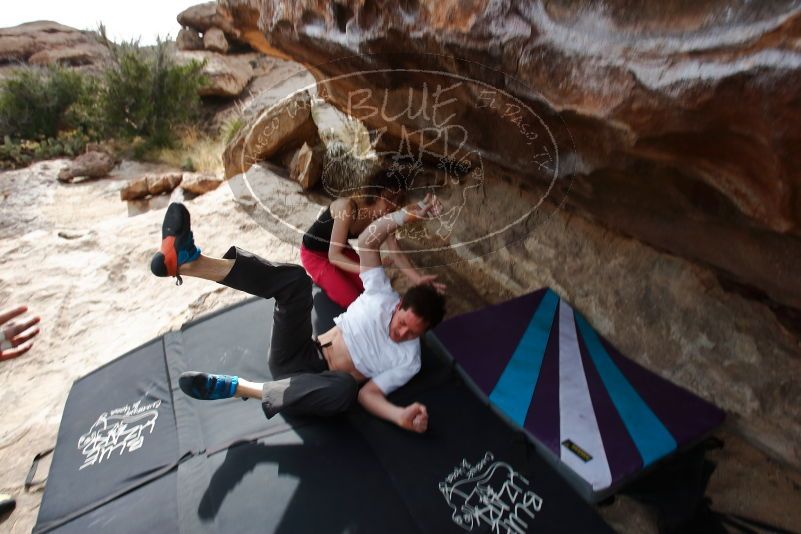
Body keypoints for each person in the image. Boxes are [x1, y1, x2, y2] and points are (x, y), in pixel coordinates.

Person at [150, 197, 446, 433]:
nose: (403, 334)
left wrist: (400, 416)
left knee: (346, 389)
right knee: (297, 281)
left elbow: (369, 396)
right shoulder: (382, 295)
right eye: (403, 323)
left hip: (318, 387)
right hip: (297, 353)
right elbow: (369, 240)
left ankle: (238, 387)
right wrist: (408, 214)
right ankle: (193, 263)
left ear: (425, 332)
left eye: (414, 333)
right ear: (398, 306)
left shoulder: (409, 360)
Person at [301, 170, 444, 309]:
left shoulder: (385, 216)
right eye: (388, 197)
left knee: (373, 289)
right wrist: (367, 269)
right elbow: (334, 256)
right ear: (376, 193)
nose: (393, 204)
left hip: (341, 249)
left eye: (398, 199)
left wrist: (417, 279)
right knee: (355, 302)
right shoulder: (348, 207)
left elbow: (396, 252)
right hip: (315, 255)